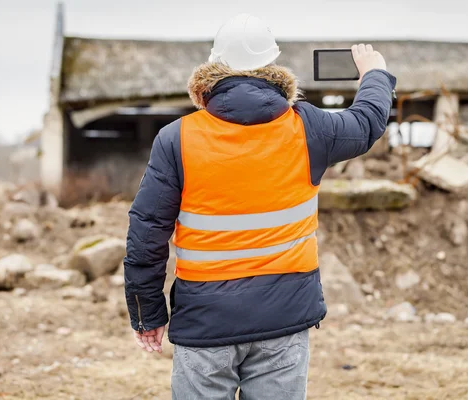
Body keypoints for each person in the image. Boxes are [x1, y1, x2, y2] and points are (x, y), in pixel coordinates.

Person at [124, 13, 396, 400]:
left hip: (204, 325)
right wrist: (375, 74)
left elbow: (146, 232)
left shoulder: (177, 138)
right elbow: (367, 121)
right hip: (283, 321)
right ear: (271, 66)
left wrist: (146, 314)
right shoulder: (308, 128)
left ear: (213, 69)